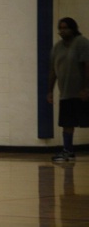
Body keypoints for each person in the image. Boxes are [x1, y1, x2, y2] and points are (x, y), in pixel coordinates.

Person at [47, 17, 89, 162]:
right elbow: (53, 71)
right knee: (67, 123)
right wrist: (50, 91)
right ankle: (68, 151)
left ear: (73, 28)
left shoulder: (82, 42)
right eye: (60, 28)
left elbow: (87, 65)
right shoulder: (57, 47)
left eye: (65, 27)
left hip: (82, 92)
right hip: (66, 92)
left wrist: (86, 87)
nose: (62, 30)